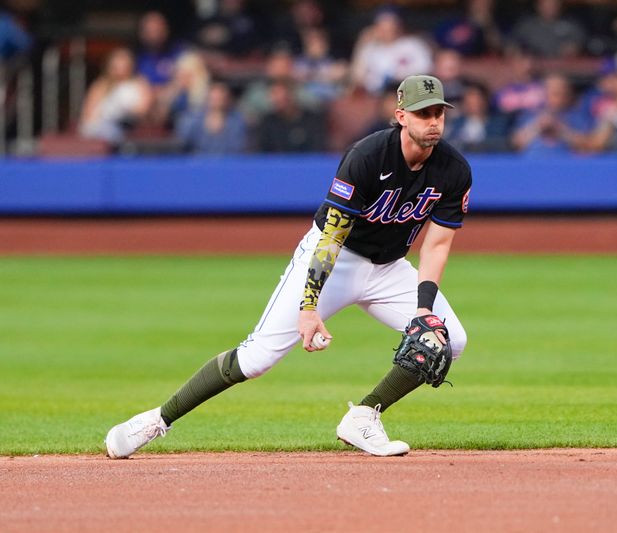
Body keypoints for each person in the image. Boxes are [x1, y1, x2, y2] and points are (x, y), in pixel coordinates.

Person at [104, 74, 471, 458]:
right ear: (400, 116)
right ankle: (157, 419)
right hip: (336, 259)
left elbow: (438, 243)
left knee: (448, 339)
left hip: (390, 268)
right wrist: (309, 307)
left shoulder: (454, 169)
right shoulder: (367, 157)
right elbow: (332, 237)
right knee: (257, 357)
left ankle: (364, 415)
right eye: (423, 113)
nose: (433, 121)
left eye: (438, 113)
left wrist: (423, 308)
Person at [79, 47, 153, 145]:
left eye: (124, 64)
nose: (121, 68)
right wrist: (106, 114)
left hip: (130, 125)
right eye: (117, 65)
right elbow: (88, 116)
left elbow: (144, 110)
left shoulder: (140, 83)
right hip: (103, 128)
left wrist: (125, 110)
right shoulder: (101, 85)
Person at [350, 7, 433, 94]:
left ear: (399, 26)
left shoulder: (413, 44)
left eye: (391, 27)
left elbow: (426, 69)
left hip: (408, 93)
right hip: (375, 96)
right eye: (383, 27)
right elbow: (358, 77)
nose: (387, 31)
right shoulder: (370, 49)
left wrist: (399, 77)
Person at [510, 73, 592, 155]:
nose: (559, 97)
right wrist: (537, 126)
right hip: (532, 163)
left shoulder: (576, 116)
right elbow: (517, 144)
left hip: (565, 163)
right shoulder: (530, 115)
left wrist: (561, 130)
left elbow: (588, 145)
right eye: (554, 93)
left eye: (562, 92)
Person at [253, 77, 326, 152]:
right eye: (273, 94)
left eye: (279, 94)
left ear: (291, 95)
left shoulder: (312, 120)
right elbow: (262, 152)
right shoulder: (267, 122)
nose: (275, 99)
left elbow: (318, 150)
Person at [176, 81, 247, 155]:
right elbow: (184, 144)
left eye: (220, 98)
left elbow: (237, 148)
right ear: (207, 99)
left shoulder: (236, 122)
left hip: (227, 163)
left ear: (227, 100)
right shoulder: (193, 121)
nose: (216, 101)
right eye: (213, 98)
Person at [507, 0, 586, 58]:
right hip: (532, 70)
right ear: (538, 5)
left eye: (553, 4)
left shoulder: (572, 25)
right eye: (546, 4)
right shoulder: (526, 26)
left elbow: (579, 45)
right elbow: (512, 46)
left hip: (562, 69)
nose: (550, 7)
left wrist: (573, 48)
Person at [446, 80, 509, 152]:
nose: (471, 104)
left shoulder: (498, 124)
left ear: (484, 101)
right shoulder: (455, 124)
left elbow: (502, 144)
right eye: (467, 101)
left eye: (475, 101)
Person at [135, 11, 183, 88]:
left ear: (166, 31)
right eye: (149, 31)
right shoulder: (135, 59)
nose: (155, 36)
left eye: (158, 30)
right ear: (142, 34)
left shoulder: (180, 52)